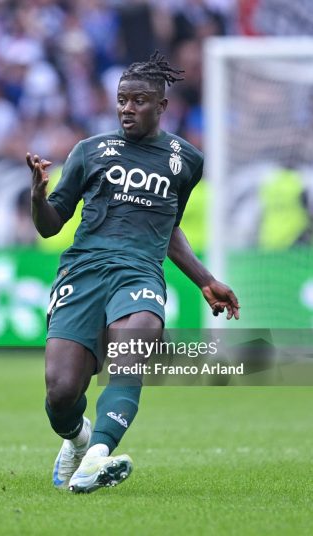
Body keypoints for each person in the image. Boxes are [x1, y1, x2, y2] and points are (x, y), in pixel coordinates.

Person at [26, 52, 240, 494]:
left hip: (139, 272)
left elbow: (168, 228)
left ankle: (99, 455)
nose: (127, 108)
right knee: (61, 393)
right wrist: (36, 197)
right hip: (83, 272)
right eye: (122, 99)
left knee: (137, 338)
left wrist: (204, 279)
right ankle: (80, 439)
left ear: (161, 106)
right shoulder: (89, 151)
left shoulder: (186, 160)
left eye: (138, 100)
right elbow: (50, 225)